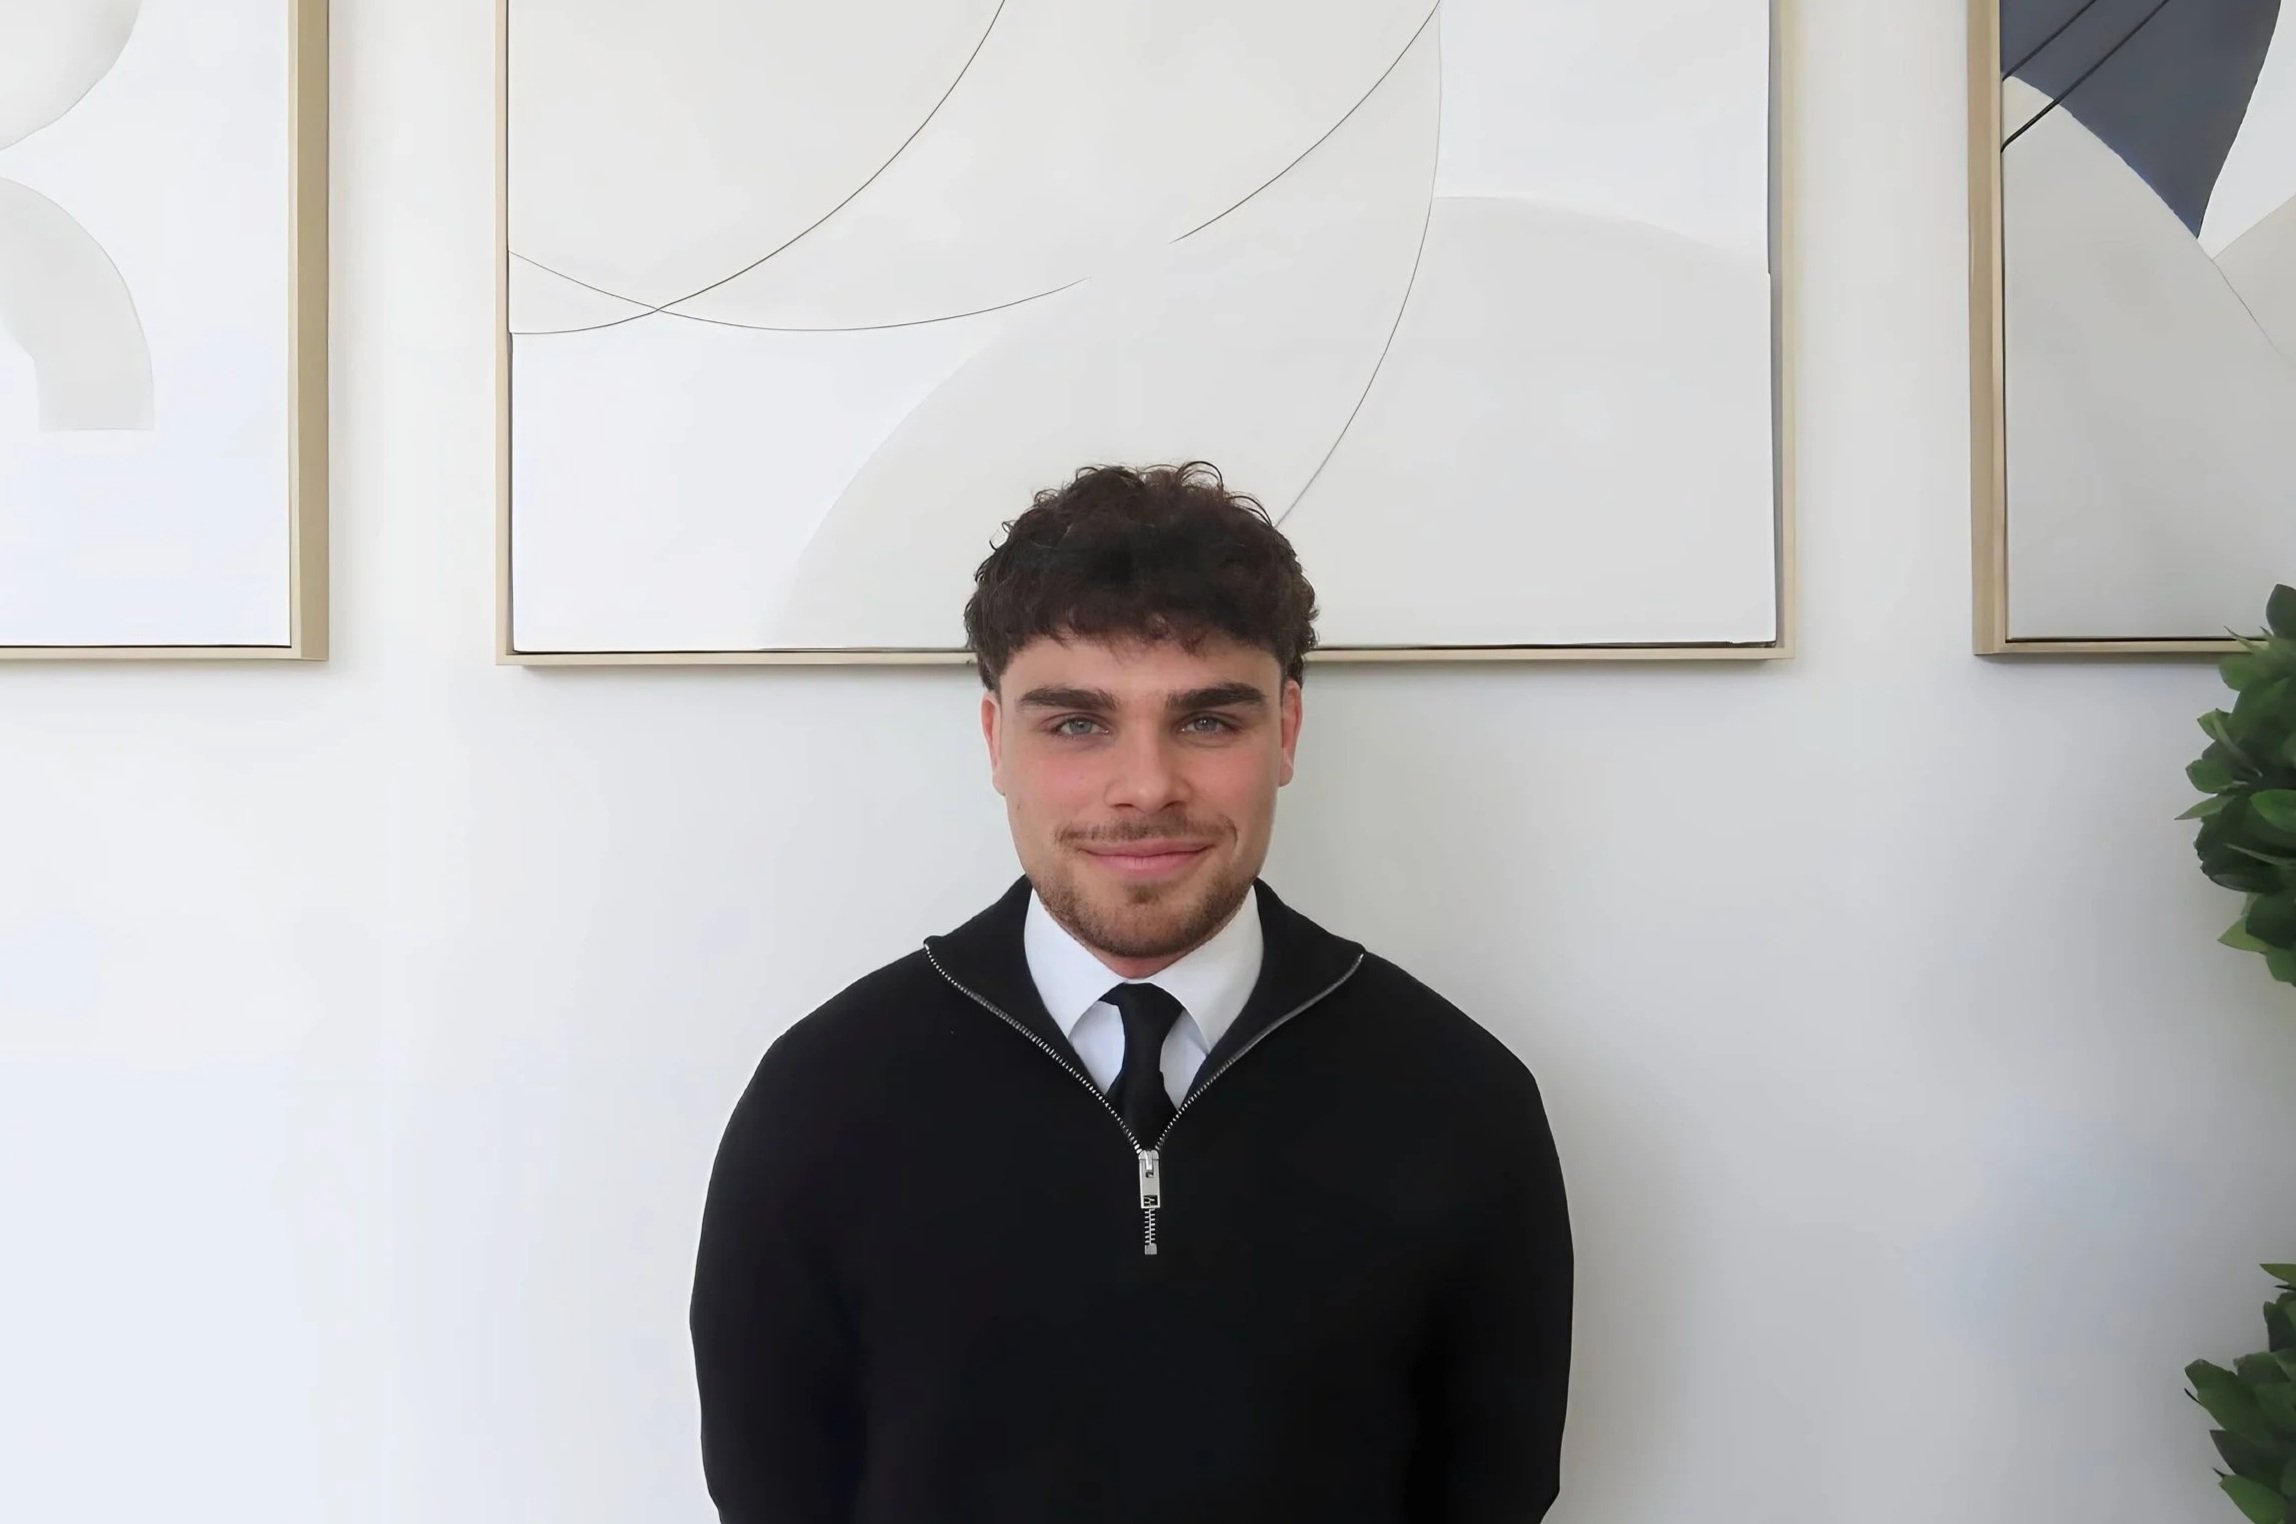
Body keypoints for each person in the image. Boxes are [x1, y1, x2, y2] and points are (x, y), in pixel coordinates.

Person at [690, 462, 1573, 1522]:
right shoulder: (824, 1093)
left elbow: (1496, 1489)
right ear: (995, 742)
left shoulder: (1459, 1096)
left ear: (1285, 732)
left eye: (1207, 722)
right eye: (1076, 724)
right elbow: (770, 1491)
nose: (1146, 786)